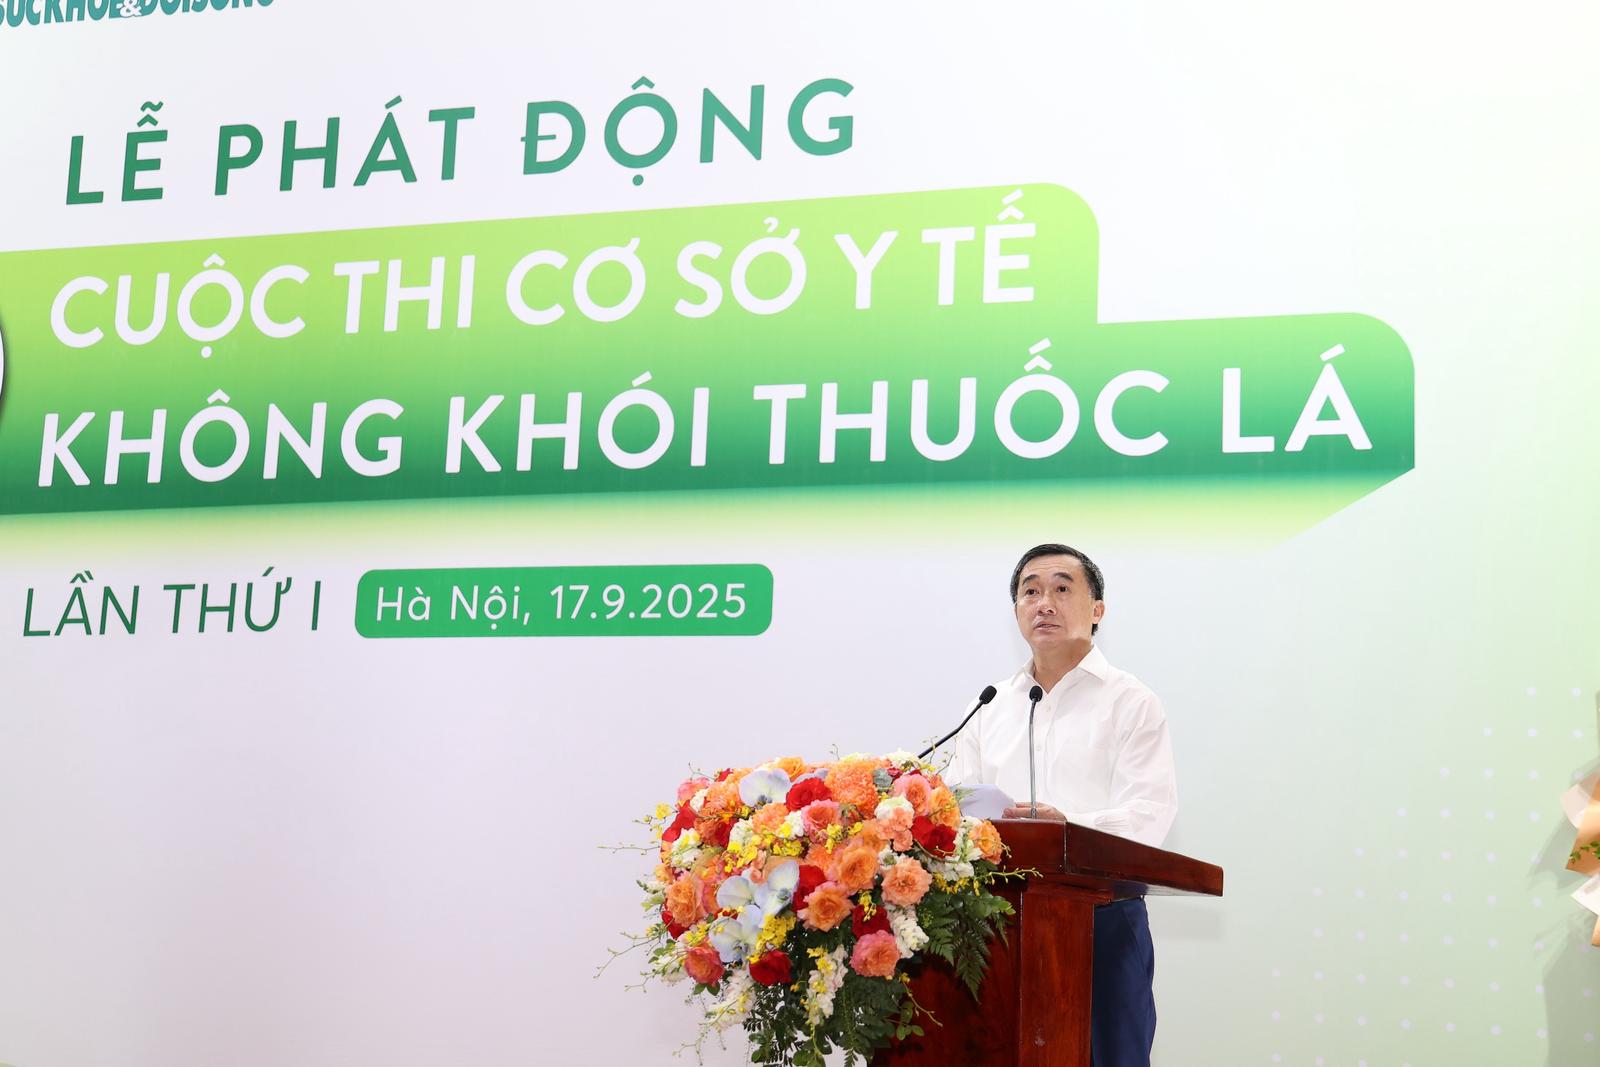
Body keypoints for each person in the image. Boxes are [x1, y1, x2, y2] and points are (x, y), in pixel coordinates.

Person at [946, 543, 1178, 1067]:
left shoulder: (1130, 701)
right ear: (1016, 612)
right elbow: (959, 809)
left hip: (1103, 922)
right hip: (994, 924)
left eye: (1061, 588)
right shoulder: (989, 706)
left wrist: (1066, 829)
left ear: (1097, 610)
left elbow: (1150, 813)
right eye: (1030, 591)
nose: (1044, 602)